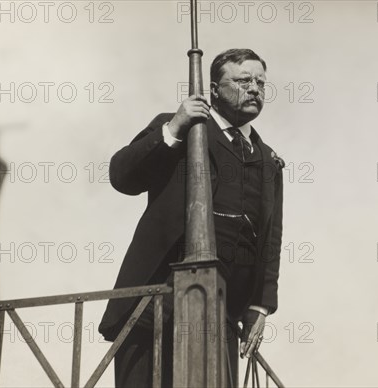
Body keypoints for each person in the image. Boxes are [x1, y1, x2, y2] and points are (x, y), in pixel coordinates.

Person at [98, 48, 284, 387]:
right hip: (152, 304)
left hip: (221, 313)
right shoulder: (180, 126)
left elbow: (270, 237)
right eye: (243, 80)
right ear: (213, 90)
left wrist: (261, 303)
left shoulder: (268, 160)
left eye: (260, 82)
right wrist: (175, 127)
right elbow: (122, 177)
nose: (254, 88)